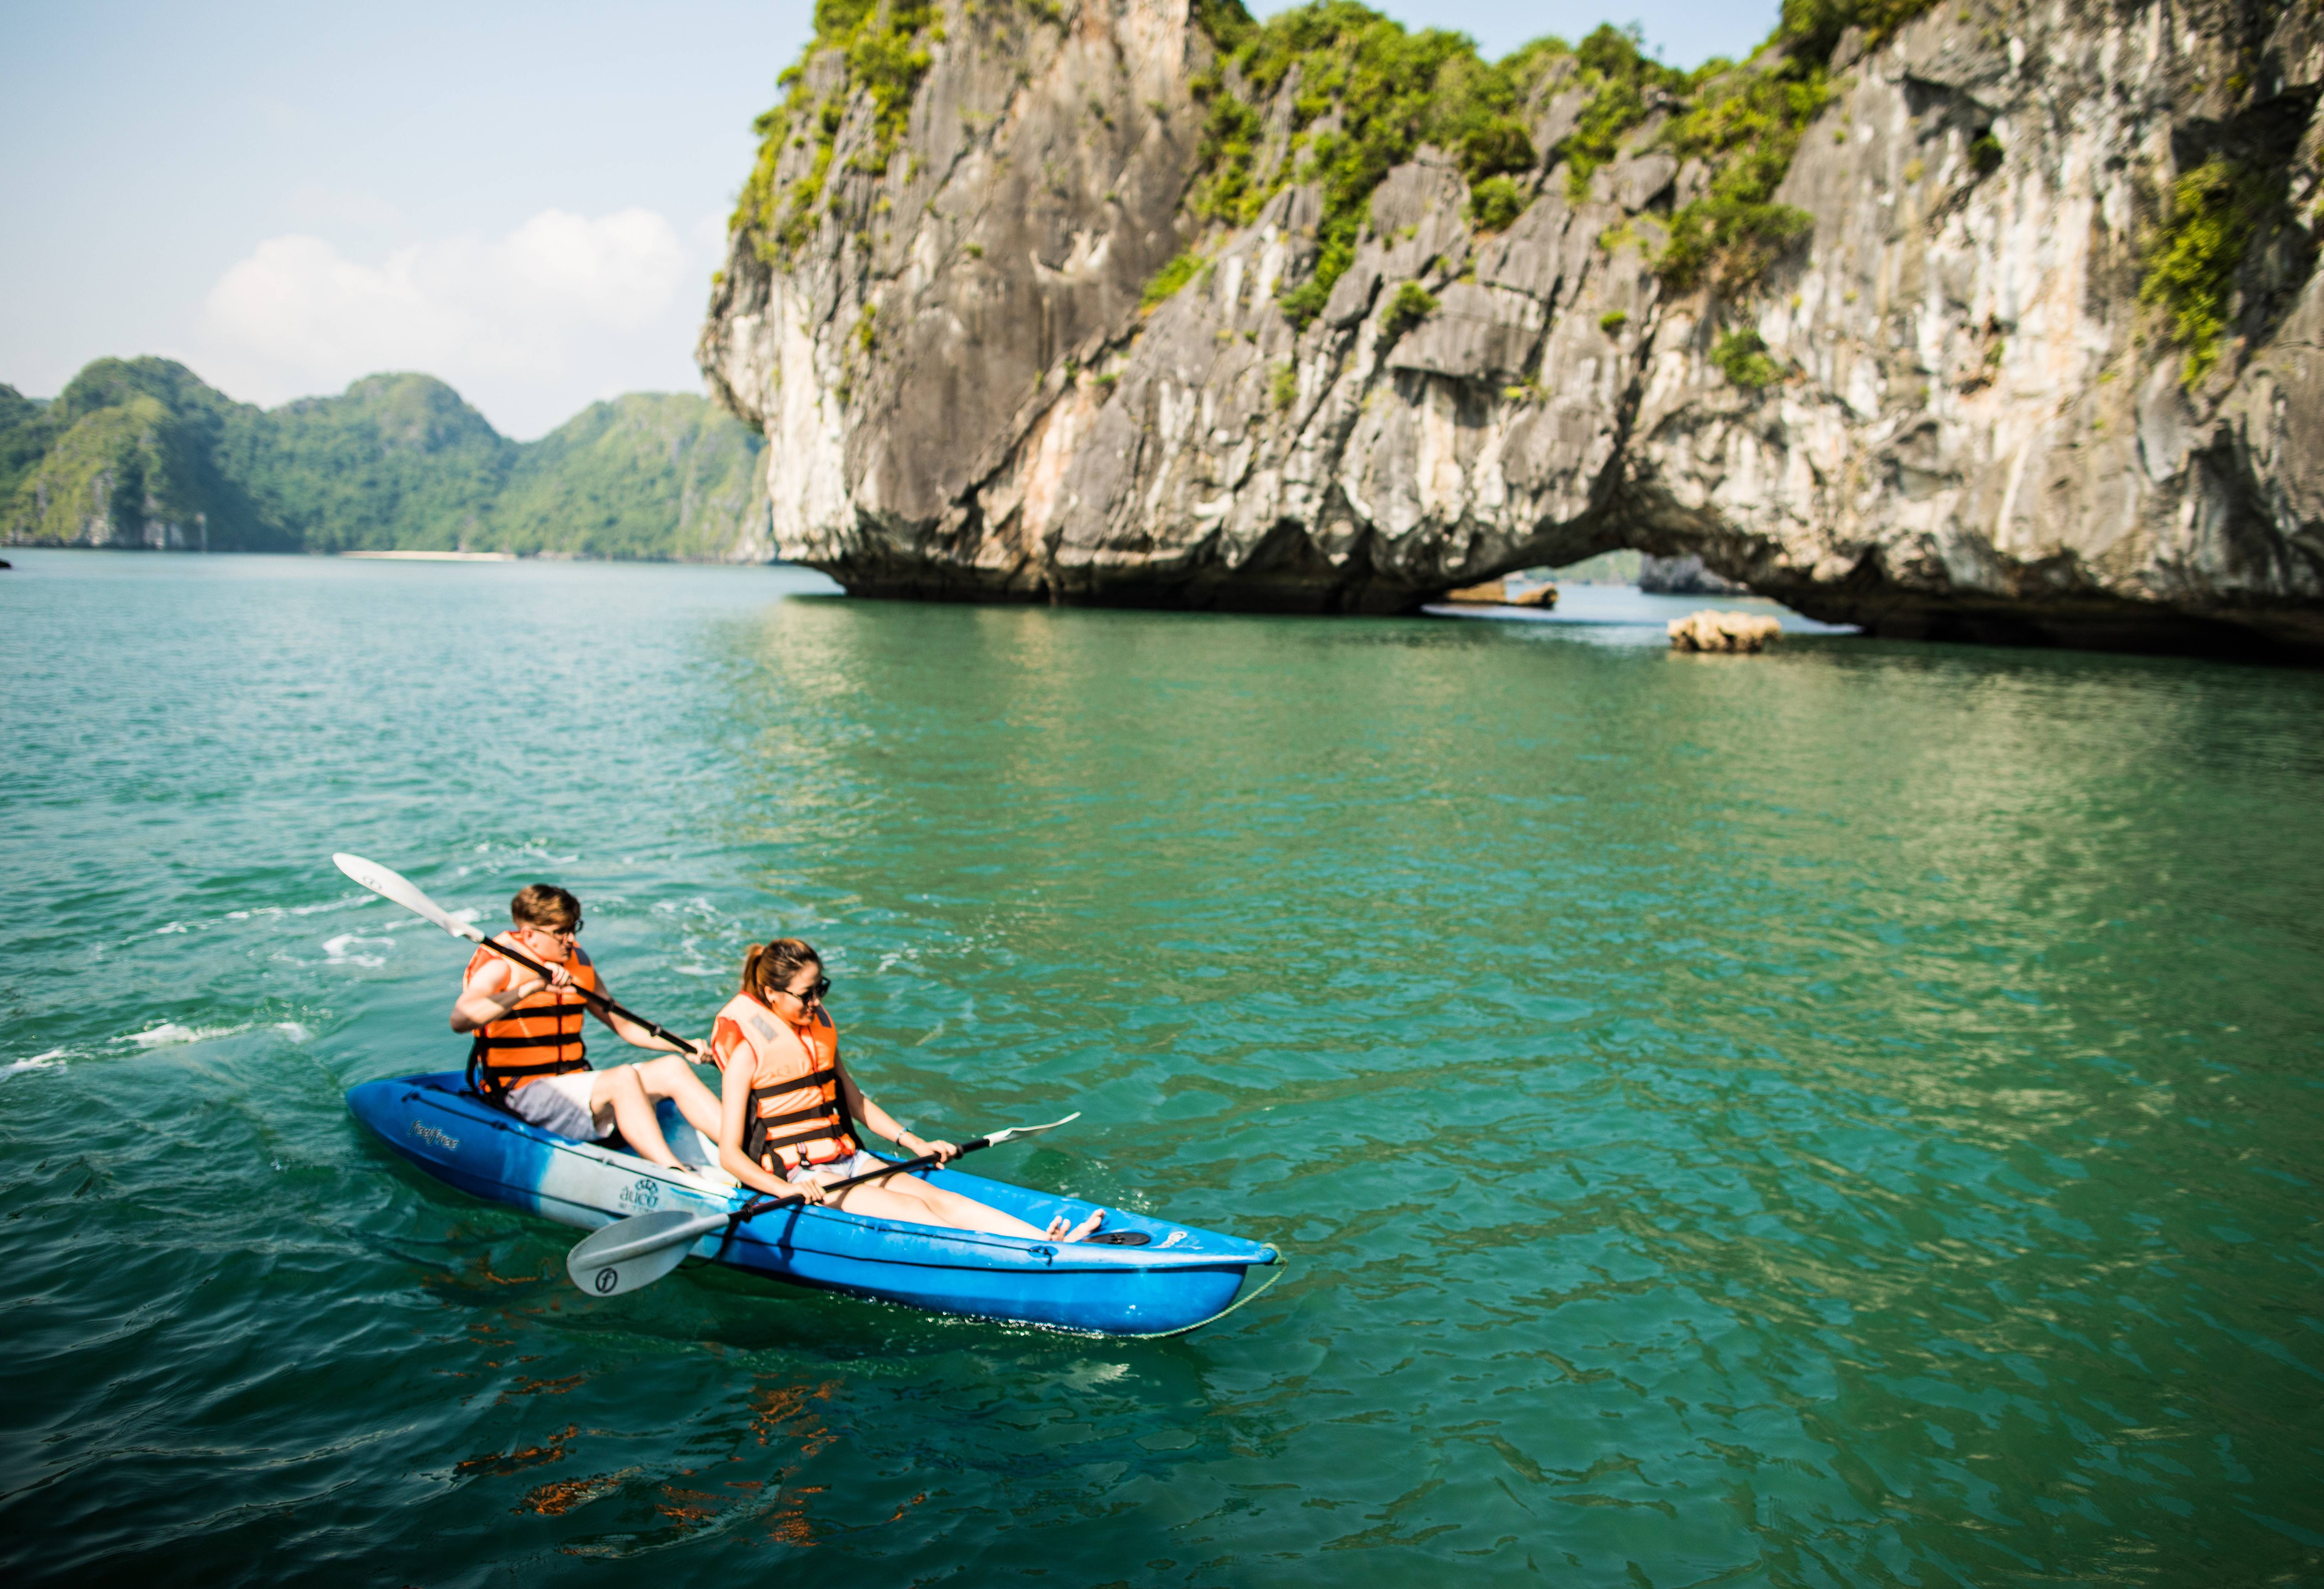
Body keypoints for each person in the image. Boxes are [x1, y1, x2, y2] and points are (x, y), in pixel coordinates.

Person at [712, 937, 1105, 1241]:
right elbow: (730, 1155)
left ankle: (1046, 1242)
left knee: (940, 1199)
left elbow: (855, 1101)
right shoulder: (748, 1052)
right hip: (802, 1175)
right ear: (771, 994)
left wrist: (915, 1143)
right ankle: (1027, 1257)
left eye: (821, 988)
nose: (816, 1002)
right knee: (914, 1213)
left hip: (848, 1159)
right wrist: (782, 1189)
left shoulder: (819, 1032)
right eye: (806, 995)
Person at [450, 883, 724, 1172]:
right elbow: (460, 1020)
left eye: (574, 928)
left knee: (672, 1068)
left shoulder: (578, 965)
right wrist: (533, 987)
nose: (571, 939)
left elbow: (626, 1026)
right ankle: (673, 1174)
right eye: (561, 932)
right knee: (623, 1078)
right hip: (521, 1093)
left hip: (571, 1085)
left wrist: (685, 1047)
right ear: (530, 935)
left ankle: (743, 1153)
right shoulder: (502, 966)